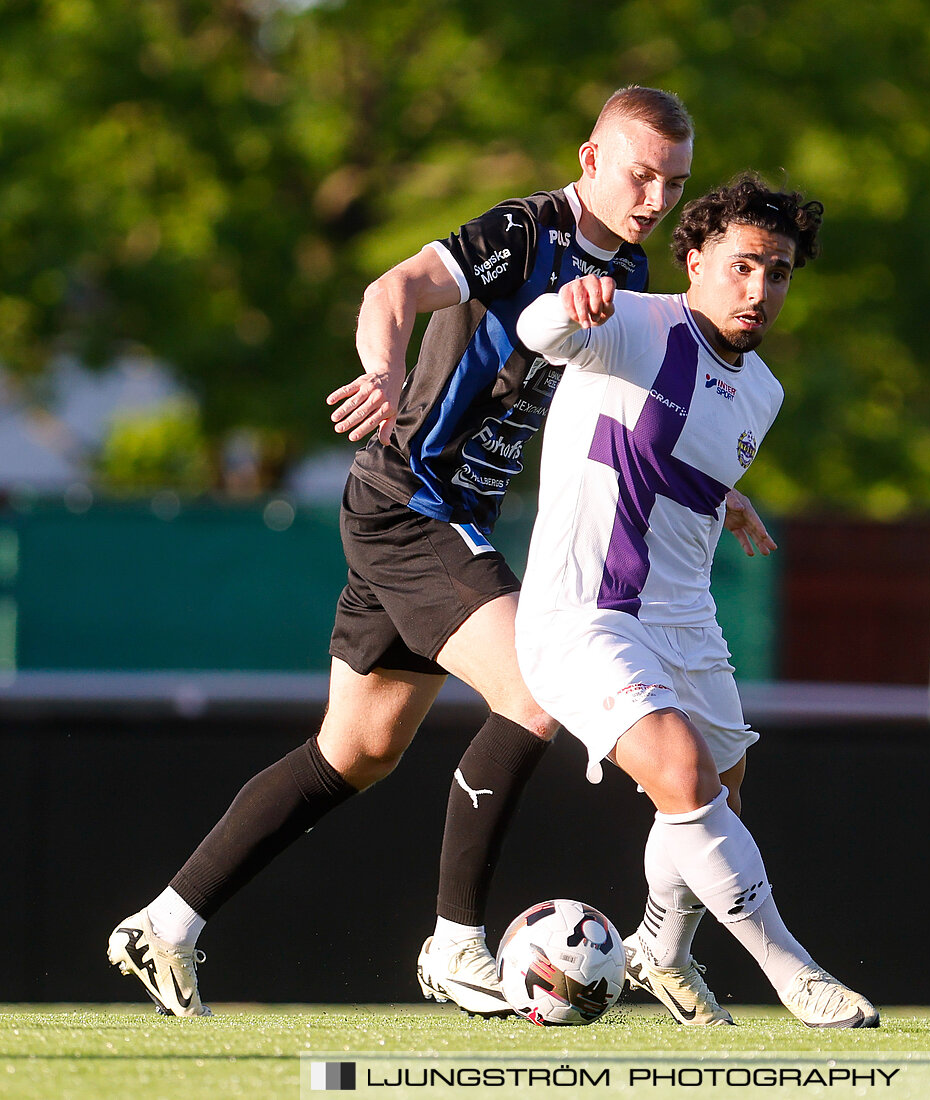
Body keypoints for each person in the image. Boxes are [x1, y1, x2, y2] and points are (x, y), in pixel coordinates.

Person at [105, 86, 751, 1019]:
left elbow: (639, 406)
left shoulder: (634, 265)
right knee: (539, 687)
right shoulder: (528, 232)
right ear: (590, 160)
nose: (653, 197)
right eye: (640, 173)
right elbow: (391, 289)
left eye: (672, 181)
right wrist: (384, 369)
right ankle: (455, 945)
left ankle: (164, 923)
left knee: (354, 753)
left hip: (453, 517)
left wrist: (715, 487)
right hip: (410, 503)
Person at [511, 172, 879, 1028]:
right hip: (584, 612)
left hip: (683, 616)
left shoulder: (765, 393)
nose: (760, 289)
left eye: (779, 272)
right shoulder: (634, 321)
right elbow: (537, 332)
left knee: (722, 790)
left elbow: (680, 458)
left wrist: (729, 498)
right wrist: (571, 304)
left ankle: (661, 953)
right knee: (681, 775)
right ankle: (794, 972)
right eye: (744, 265)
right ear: (696, 257)